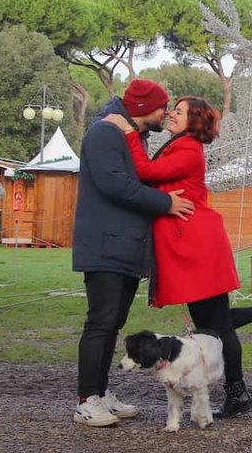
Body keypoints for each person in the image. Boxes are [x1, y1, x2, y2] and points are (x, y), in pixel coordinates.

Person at [106, 95, 252, 420]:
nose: (171, 114)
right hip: (191, 247)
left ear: (194, 121)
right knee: (211, 322)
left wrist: (126, 130)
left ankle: (238, 393)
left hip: (197, 248)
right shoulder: (178, 145)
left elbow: (145, 171)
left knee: (217, 328)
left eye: (178, 112)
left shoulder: (188, 149)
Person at [72, 79, 195, 428]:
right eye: (162, 107)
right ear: (142, 110)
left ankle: (100, 392)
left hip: (124, 244)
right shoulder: (105, 133)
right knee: (100, 321)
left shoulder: (129, 134)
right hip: (105, 243)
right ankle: (86, 400)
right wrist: (166, 203)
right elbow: (116, 185)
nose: (166, 113)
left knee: (112, 322)